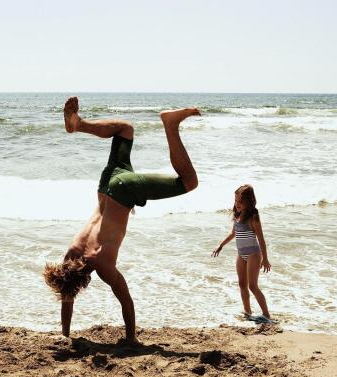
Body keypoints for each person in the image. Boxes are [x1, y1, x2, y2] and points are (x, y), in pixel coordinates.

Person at [44, 96, 201, 344]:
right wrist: (63, 334)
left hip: (124, 190)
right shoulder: (71, 253)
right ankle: (79, 124)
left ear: (81, 282)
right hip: (106, 185)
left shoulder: (101, 263)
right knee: (125, 129)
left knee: (189, 182)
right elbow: (67, 294)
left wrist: (131, 339)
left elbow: (125, 299)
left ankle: (170, 124)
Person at [212, 185, 272, 322]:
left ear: (249, 201)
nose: (237, 204)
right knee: (242, 284)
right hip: (241, 254)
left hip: (253, 254)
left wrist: (265, 259)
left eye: (240, 201)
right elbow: (233, 233)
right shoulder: (237, 215)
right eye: (235, 200)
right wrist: (220, 245)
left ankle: (266, 315)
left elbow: (261, 240)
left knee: (252, 286)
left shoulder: (253, 217)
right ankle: (247, 313)